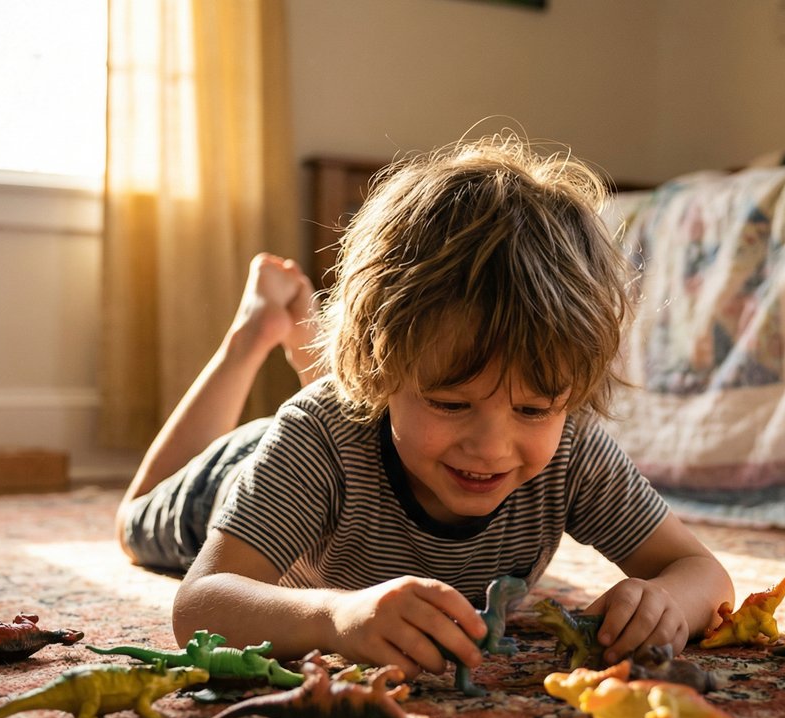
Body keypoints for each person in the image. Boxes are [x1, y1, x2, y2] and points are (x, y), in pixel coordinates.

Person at [117, 134, 735, 679]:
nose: (491, 448)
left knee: (411, 419)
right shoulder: (314, 441)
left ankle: (334, 360)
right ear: (383, 375)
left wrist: (666, 604)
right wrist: (335, 616)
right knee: (135, 521)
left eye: (532, 410)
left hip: (372, 432)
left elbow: (699, 571)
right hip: (248, 476)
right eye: (451, 402)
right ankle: (255, 334)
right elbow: (200, 603)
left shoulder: (572, 447)